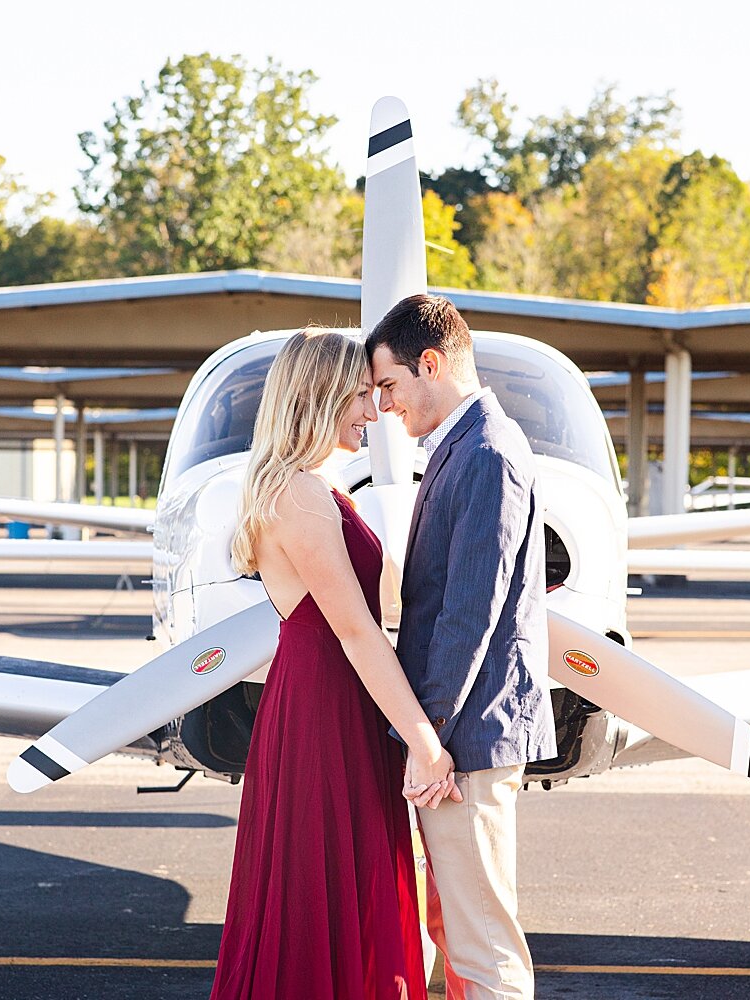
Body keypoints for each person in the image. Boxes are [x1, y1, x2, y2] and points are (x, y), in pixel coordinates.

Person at [211, 328, 460, 1000]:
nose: (372, 412)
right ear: (317, 397)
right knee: (327, 887)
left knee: (334, 885)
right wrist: (425, 742)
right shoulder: (300, 496)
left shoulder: (308, 490)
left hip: (332, 701)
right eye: (357, 395)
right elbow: (355, 632)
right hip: (327, 707)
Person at [367, 295, 558, 1000]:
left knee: (482, 944)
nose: (384, 404)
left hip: (465, 744)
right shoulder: (466, 446)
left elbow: (467, 615)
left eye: (388, 385)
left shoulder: (486, 452)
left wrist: (430, 738)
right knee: (459, 932)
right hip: (458, 742)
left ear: (432, 363)